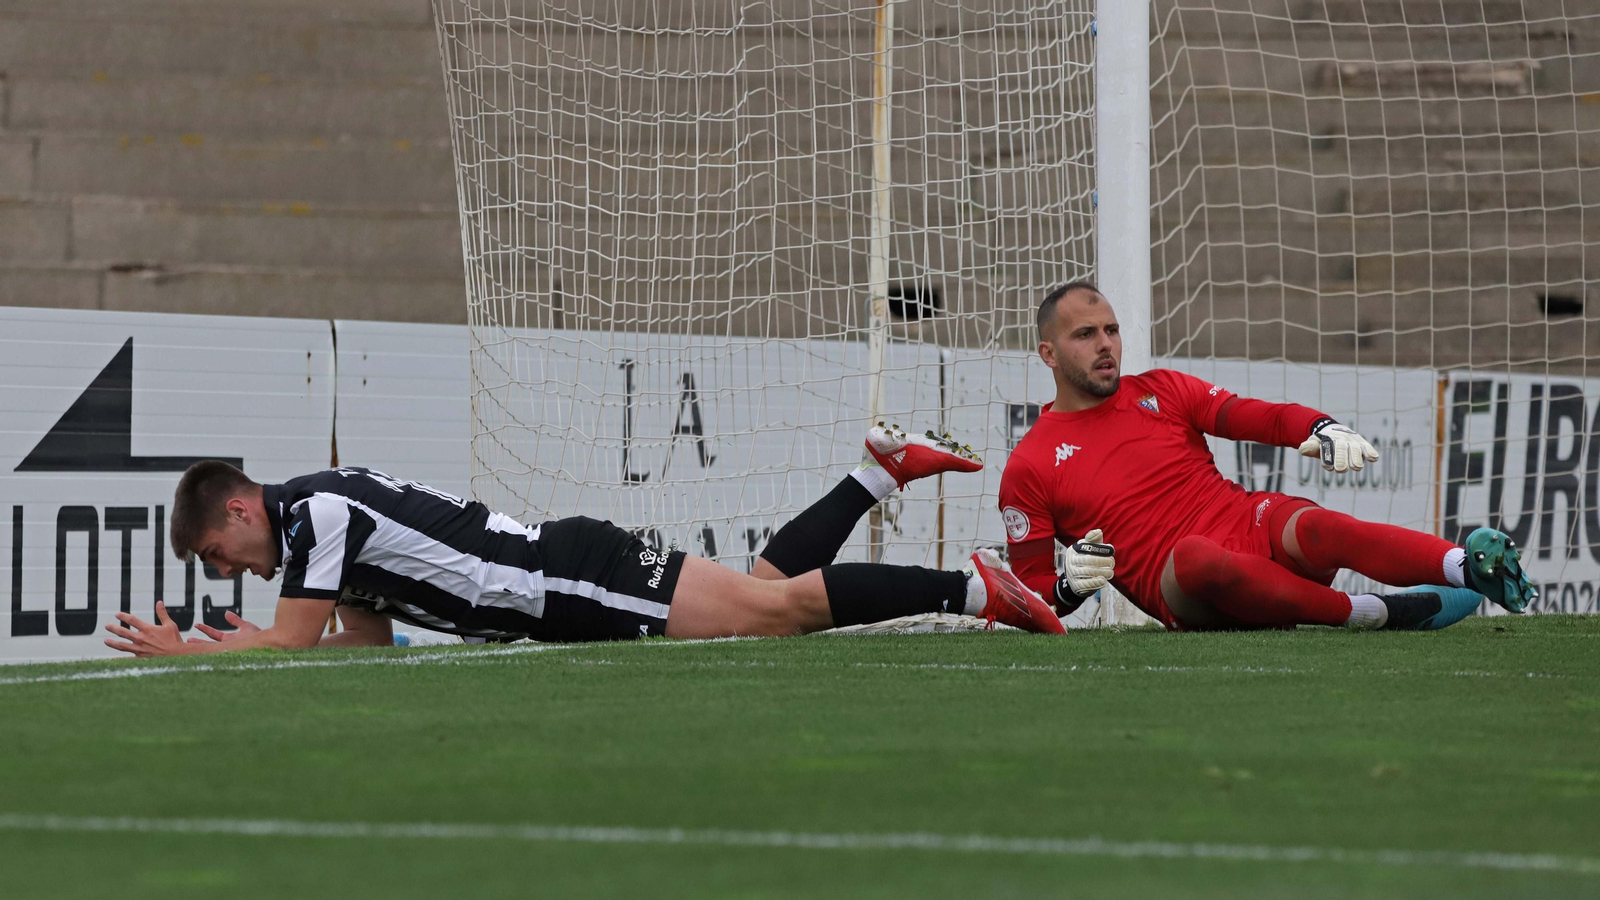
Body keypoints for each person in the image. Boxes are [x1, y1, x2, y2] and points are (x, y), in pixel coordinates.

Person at [105, 426, 1066, 658]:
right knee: (761, 587)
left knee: (770, 616)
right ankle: (879, 473)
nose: (237, 572)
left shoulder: (311, 517)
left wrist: (195, 652)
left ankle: (969, 588)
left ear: (239, 511)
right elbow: (357, 654)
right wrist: (252, 652)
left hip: (568, 580)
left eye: (225, 558)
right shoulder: (329, 533)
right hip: (565, 575)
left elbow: (288, 641)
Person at [998, 280, 1538, 632]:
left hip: (1246, 524)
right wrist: (1069, 584)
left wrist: (1321, 426)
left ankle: (1469, 568)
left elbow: (1261, 417)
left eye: (1111, 331)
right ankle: (1373, 613)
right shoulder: (1030, 465)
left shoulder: (1161, 388)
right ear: (1048, 353)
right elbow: (1031, 596)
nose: (1105, 345)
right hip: (1186, 584)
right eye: (1085, 335)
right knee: (1195, 555)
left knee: (1318, 525)